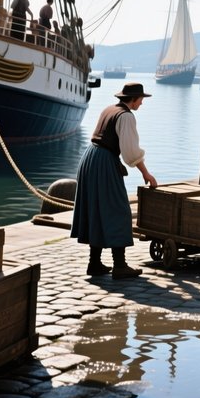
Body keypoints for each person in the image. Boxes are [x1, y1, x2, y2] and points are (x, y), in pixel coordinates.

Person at [70, 82, 156, 279]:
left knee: (97, 209)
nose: (142, 103)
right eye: (141, 99)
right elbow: (131, 153)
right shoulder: (126, 116)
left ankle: (94, 263)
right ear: (133, 99)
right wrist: (146, 173)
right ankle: (120, 265)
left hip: (90, 158)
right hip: (104, 162)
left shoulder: (109, 109)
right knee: (118, 209)